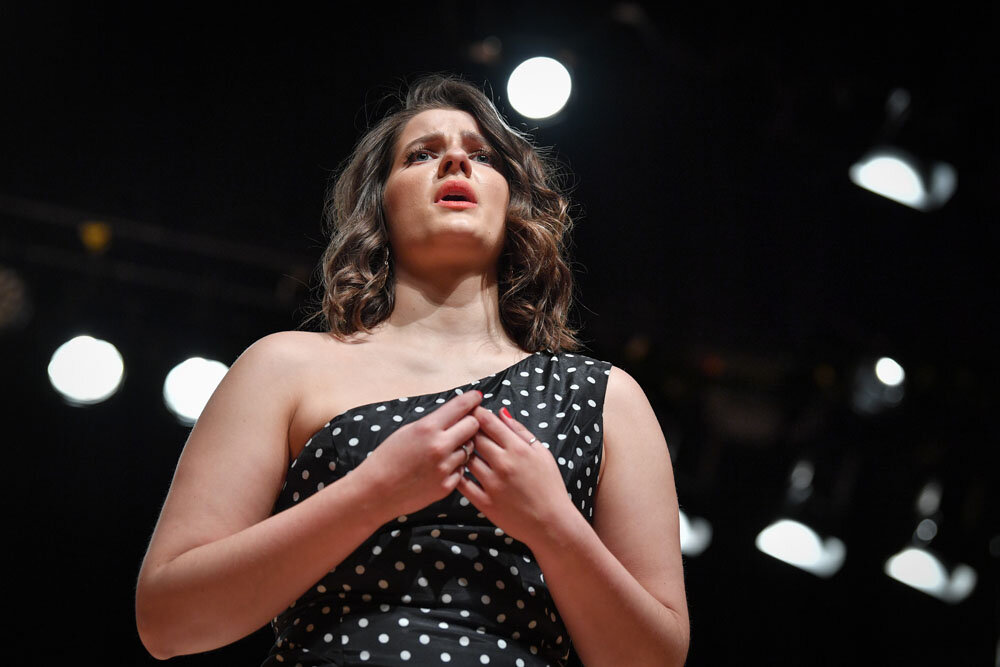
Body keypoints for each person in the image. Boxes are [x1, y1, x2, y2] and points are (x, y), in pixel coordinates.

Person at [135, 75, 689, 666]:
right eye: (421, 155)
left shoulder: (604, 399)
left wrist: (555, 526)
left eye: (483, 157)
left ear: (515, 207)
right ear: (379, 206)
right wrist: (373, 492)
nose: (455, 161)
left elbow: (654, 660)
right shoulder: (284, 366)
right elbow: (168, 621)